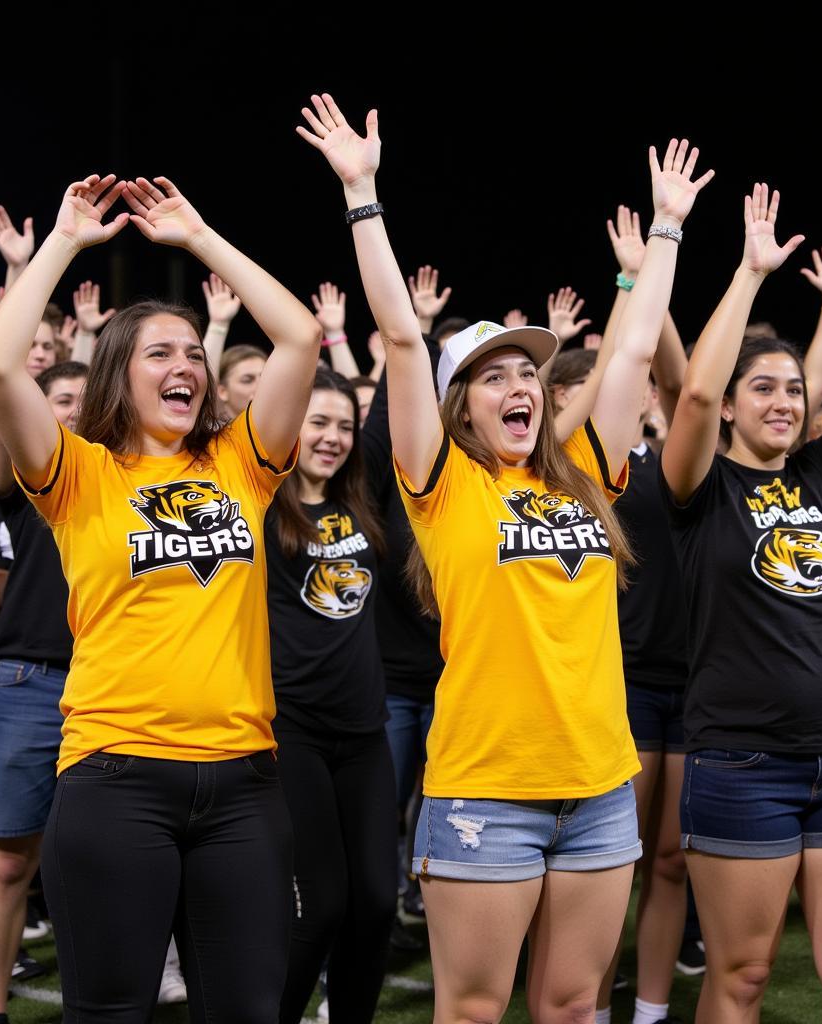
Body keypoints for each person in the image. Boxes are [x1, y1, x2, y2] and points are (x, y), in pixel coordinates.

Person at [299, 91, 712, 1023]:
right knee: (475, 1010)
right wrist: (363, 194)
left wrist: (669, 229)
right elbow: (404, 338)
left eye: (528, 370)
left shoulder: (587, 478)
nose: (520, 383)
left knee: (570, 1007)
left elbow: (637, 346)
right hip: (489, 786)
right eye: (494, 376)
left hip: (601, 788)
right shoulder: (444, 485)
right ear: (459, 408)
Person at [0, 171, 321, 1024]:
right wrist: (60, 242)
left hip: (243, 783)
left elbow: (301, 337)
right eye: (160, 353)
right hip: (115, 777)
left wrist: (199, 238)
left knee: (245, 1010)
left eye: (194, 354)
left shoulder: (240, 462)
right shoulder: (78, 474)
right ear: (118, 376)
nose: (186, 367)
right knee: (111, 1011)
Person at [659, 177, 822, 1023]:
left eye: (793, 390)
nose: (784, 401)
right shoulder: (697, 486)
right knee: (739, 980)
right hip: (742, 762)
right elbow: (693, 392)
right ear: (733, 408)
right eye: (763, 389)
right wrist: (747, 271)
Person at [265, 365, 396, 1023]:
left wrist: (414, 333)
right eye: (318, 421)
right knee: (319, 907)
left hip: (365, 734)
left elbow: (395, 393)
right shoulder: (261, 502)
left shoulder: (360, 495)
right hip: (294, 732)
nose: (334, 437)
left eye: (344, 425)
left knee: (377, 901)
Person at [0, 362, 86, 1024]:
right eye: (58, 399)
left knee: (99, 857)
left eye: (81, 398)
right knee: (10, 863)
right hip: (30, 682)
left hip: (113, 686)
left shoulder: (121, 470)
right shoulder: (30, 476)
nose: (70, 409)